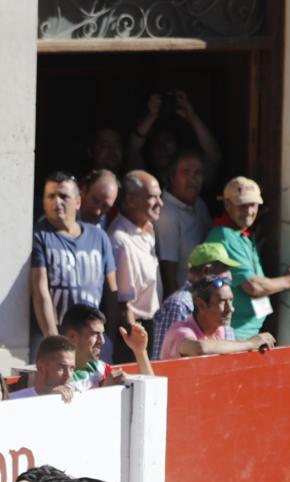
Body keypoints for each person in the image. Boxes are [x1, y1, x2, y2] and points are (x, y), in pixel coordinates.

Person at [204, 176, 290, 341]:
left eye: (253, 205)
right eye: (242, 205)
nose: (249, 212)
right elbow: (253, 286)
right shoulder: (225, 236)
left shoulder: (240, 234)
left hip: (243, 334)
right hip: (234, 335)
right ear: (227, 205)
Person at [30, 171, 117, 357]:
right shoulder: (40, 236)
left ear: (78, 201)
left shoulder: (99, 237)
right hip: (59, 336)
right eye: (50, 196)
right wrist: (53, 342)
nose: (57, 202)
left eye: (63, 196)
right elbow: (40, 291)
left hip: (95, 339)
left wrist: (109, 335)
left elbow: (112, 291)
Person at [108, 169, 162, 364]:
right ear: (131, 200)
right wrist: (137, 344)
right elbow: (123, 305)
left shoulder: (148, 229)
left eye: (160, 196)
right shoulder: (119, 240)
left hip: (153, 323)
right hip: (134, 333)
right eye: (152, 197)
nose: (160, 203)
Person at [149, 241, 239, 360]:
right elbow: (162, 361)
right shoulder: (179, 304)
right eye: (224, 270)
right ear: (206, 272)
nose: (229, 276)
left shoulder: (223, 321)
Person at [126, 90, 221, 193]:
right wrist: (151, 116)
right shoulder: (144, 179)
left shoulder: (192, 179)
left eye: (167, 141)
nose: (162, 148)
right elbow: (132, 148)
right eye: (157, 143)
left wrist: (192, 118)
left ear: (177, 146)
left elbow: (214, 156)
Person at [161, 276, 276, 360]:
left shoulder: (224, 330)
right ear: (201, 304)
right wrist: (250, 344)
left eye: (231, 300)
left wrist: (257, 344)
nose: (230, 309)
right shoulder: (179, 331)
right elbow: (200, 348)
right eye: (222, 302)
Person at [58, 304, 153, 391]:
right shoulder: (54, 377)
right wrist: (105, 391)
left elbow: (150, 394)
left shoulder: (101, 370)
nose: (102, 341)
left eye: (102, 334)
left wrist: (140, 352)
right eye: (95, 334)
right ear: (72, 337)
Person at [156, 150, 213, 291]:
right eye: (185, 173)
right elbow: (168, 274)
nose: (192, 179)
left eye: (197, 173)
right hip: (185, 302)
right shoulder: (166, 214)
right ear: (173, 177)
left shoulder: (199, 204)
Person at [11, 335, 76, 402]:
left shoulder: (78, 399)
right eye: (61, 367)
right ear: (41, 367)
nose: (68, 375)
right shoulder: (13, 401)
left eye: (72, 368)